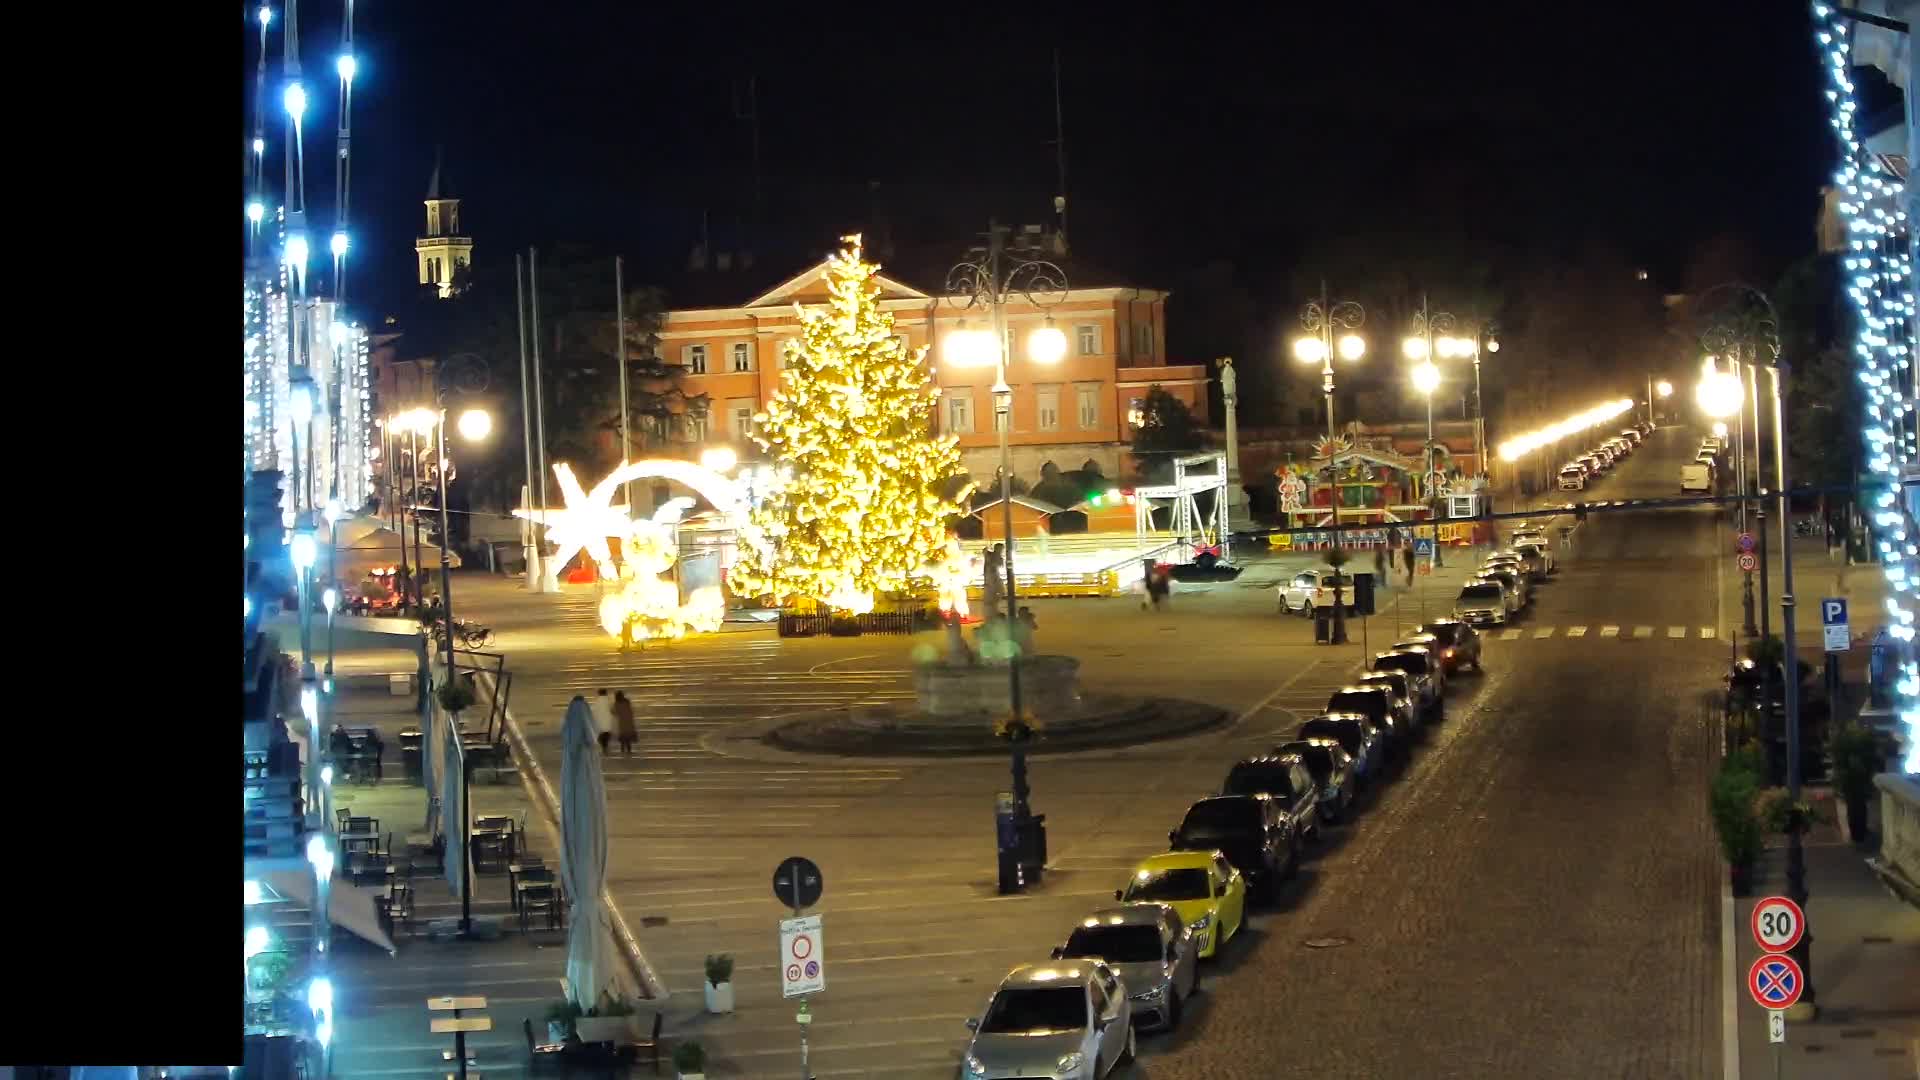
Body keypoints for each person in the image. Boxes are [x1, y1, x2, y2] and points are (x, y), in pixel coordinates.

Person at [612, 690, 638, 757]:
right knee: (628, 737)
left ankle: (622, 750)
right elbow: (631, 710)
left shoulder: (617, 703)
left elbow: (614, 712)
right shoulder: (627, 701)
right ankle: (629, 750)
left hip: (622, 722)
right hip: (629, 721)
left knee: (623, 736)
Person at [591, 688, 613, 754]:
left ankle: (604, 747)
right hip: (607, 720)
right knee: (607, 734)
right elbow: (612, 710)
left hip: (599, 721)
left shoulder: (597, 701)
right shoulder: (609, 701)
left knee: (601, 735)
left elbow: (594, 711)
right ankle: (605, 746)